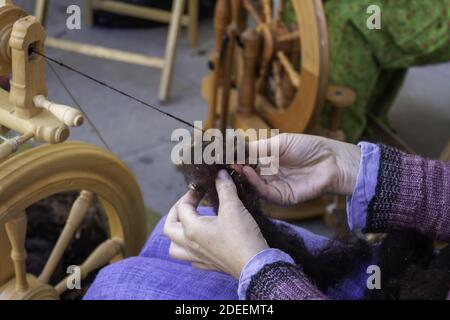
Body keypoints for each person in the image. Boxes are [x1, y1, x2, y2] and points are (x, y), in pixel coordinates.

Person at [84, 134, 450, 300]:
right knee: (171, 234)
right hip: (418, 278)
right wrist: (345, 166)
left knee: (115, 285)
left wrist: (261, 276)